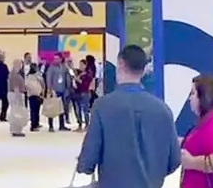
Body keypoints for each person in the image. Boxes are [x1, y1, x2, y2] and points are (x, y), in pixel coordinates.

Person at [76, 45, 180, 188]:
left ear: (120, 64)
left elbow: (88, 161)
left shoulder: (103, 106)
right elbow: (174, 160)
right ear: (143, 70)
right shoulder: (163, 110)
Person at [45, 52, 71, 131]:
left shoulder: (63, 67)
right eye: (54, 59)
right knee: (52, 107)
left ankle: (62, 125)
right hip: (54, 91)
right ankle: (51, 126)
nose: (55, 60)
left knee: (61, 108)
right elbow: (48, 79)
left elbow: (67, 77)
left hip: (62, 90)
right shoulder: (51, 68)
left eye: (57, 59)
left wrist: (67, 88)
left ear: (60, 59)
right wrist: (49, 89)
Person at [7, 59, 28, 137]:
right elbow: (16, 87)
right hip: (16, 94)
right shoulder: (15, 74)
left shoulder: (13, 73)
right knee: (17, 112)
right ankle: (16, 129)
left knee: (14, 112)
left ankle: (14, 129)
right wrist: (18, 98)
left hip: (14, 94)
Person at [72, 59, 94, 131]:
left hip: (85, 93)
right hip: (78, 93)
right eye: (80, 65)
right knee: (78, 109)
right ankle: (80, 124)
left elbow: (86, 84)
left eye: (82, 65)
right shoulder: (79, 73)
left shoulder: (88, 74)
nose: (80, 66)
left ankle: (87, 125)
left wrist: (78, 80)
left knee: (85, 109)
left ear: (85, 65)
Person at [25, 63, 44, 131]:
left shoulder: (28, 76)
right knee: (35, 111)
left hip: (33, 94)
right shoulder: (37, 76)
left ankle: (36, 123)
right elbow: (42, 84)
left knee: (35, 110)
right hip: (36, 94)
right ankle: (33, 125)